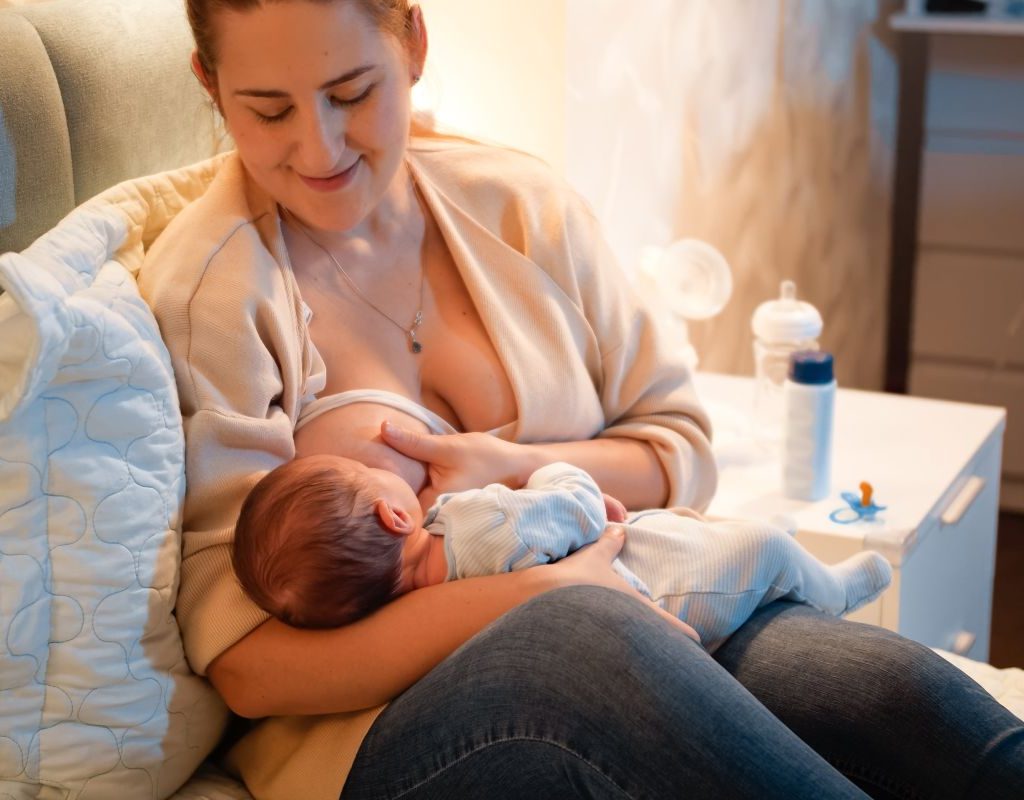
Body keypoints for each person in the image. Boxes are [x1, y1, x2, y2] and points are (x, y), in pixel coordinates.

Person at [137, 0, 1024, 797]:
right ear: (209, 83)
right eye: (269, 111)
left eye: (351, 92)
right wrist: (546, 591)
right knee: (586, 640)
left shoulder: (524, 206)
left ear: (414, 43)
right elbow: (247, 665)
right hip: (374, 726)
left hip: (631, 599)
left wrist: (516, 464)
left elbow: (679, 449)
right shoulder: (218, 293)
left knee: (893, 695)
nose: (321, 146)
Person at [232, 436, 893, 652]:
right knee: (759, 546)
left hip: (640, 580)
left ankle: (766, 557)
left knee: (688, 526)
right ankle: (828, 586)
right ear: (395, 515)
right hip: (669, 594)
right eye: (366, 470)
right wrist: (544, 472)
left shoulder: (413, 601)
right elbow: (576, 507)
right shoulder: (480, 527)